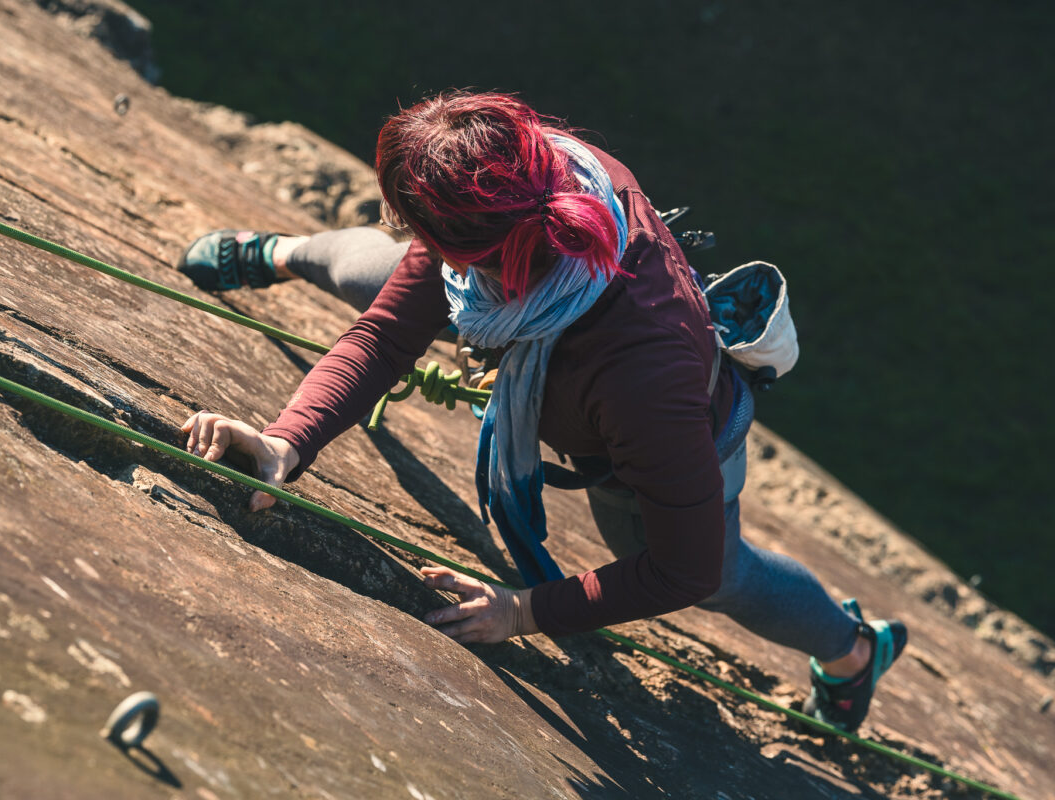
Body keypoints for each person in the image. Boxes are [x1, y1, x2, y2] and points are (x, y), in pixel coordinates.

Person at [177, 91, 906, 732]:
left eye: (417, 231)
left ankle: (854, 651)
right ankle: (281, 251)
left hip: (647, 433)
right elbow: (386, 337)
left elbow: (682, 569)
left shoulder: (640, 379)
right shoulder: (537, 176)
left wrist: (523, 611)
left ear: (473, 258)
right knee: (375, 277)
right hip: (543, 329)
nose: (398, 226)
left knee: (723, 575)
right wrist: (284, 443)